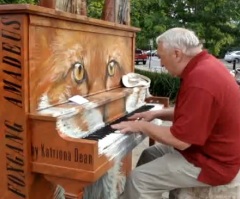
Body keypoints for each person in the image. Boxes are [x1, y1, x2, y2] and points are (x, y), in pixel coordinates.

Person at [111, 27, 240, 199]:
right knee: (150, 153)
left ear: (177, 54)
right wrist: (156, 114)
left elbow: (181, 141)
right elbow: (193, 114)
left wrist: (141, 125)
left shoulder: (200, 80)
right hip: (206, 149)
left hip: (213, 162)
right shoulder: (205, 65)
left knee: (138, 180)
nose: (162, 63)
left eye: (161, 57)